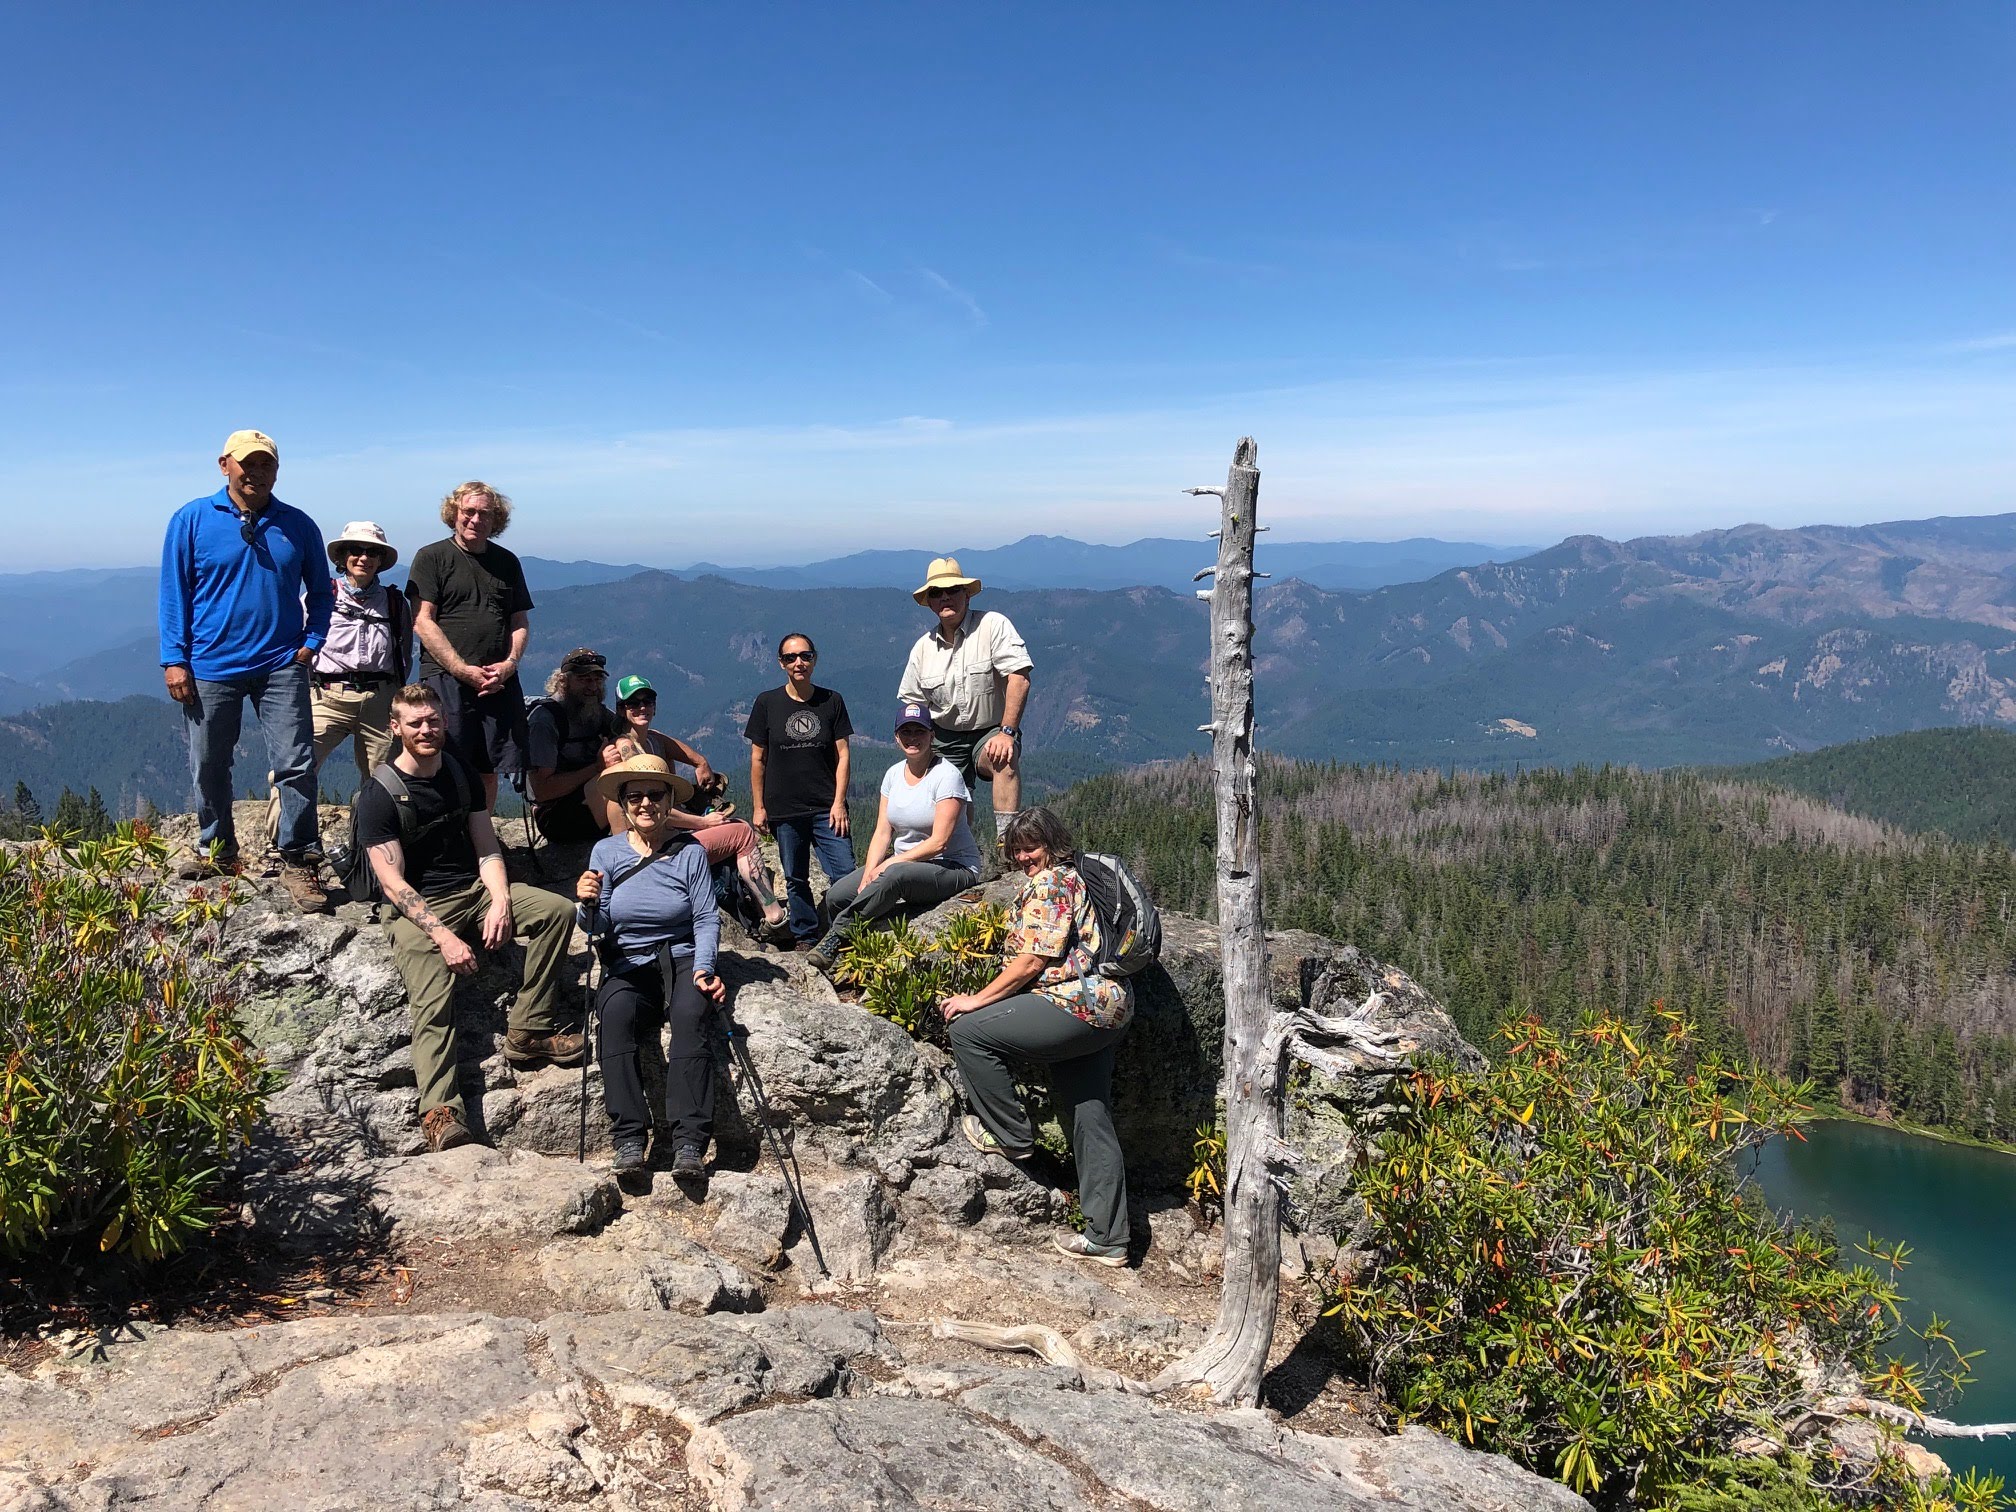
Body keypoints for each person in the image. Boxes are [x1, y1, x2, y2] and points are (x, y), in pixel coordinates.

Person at [359, 682, 584, 1153]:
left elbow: (486, 844)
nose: (426, 729)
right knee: (432, 994)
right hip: (417, 907)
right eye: (415, 722)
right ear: (395, 727)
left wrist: (500, 899)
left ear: (443, 721)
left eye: (433, 720)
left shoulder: (459, 772)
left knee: (556, 911)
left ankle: (528, 1028)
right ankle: (441, 1110)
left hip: (473, 889)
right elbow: (394, 884)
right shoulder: (380, 795)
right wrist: (443, 937)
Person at [941, 807, 1133, 1266]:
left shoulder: (1051, 883)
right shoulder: (1078, 878)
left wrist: (975, 1000)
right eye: (1017, 850)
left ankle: (1009, 1133)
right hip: (1111, 1004)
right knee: (1089, 1114)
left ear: (1053, 844)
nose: (1024, 857)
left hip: (1076, 1004)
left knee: (969, 1031)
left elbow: (1032, 961)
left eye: (1032, 847)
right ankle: (1108, 1237)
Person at [157, 428, 334, 913]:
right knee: (210, 762)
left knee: (295, 762)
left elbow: (322, 592)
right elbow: (174, 594)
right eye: (247, 463)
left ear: (277, 470)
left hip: (282, 664)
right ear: (224, 465)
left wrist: (311, 643)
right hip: (210, 665)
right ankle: (217, 850)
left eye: (266, 464)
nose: (256, 472)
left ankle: (299, 859)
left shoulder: (297, 525)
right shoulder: (191, 519)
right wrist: (174, 659)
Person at [574, 753, 727, 1179]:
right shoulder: (605, 852)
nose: (645, 804)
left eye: (654, 795)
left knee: (690, 1015)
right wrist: (584, 905)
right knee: (616, 1016)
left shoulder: (689, 852)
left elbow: (704, 916)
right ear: (622, 803)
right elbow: (598, 923)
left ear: (667, 801)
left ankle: (689, 1142)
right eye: (635, 796)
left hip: (680, 956)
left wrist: (704, 967)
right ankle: (628, 1139)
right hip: (628, 961)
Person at [607, 674, 788, 935]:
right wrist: (703, 822)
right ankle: (775, 918)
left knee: (732, 826)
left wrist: (702, 764)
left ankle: (761, 910)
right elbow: (652, 813)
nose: (642, 707)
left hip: (663, 841)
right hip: (656, 850)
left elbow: (688, 754)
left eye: (647, 701)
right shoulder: (628, 750)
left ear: (655, 706)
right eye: (633, 703)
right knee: (742, 832)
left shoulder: (652, 740)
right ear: (622, 710)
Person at [805, 703, 981, 970]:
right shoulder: (893, 775)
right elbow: (882, 831)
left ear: (931, 735)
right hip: (905, 863)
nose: (913, 738)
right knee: (837, 896)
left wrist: (890, 864)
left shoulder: (947, 776)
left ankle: (836, 937)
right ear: (896, 737)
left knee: (895, 876)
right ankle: (850, 953)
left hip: (953, 866)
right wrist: (870, 870)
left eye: (919, 731)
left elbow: (939, 842)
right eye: (906, 732)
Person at [406, 481, 533, 809]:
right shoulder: (432, 557)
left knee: (490, 766)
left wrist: (509, 665)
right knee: (443, 760)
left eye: (485, 514)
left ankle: (483, 838)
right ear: (454, 514)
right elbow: (422, 620)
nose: (475, 519)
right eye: (468, 511)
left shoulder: (507, 562)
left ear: (496, 521)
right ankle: (448, 841)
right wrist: (461, 669)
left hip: (497, 680)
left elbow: (519, 622)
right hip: (446, 678)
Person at [896, 556, 1033, 837]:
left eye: (953, 590)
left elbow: (1019, 678)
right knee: (947, 801)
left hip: (991, 730)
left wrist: (1007, 732)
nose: (945, 597)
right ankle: (957, 854)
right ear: (930, 603)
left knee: (1003, 759)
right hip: (943, 736)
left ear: (966, 595)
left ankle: (1007, 844)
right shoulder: (923, 649)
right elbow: (914, 704)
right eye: (937, 593)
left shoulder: (992, 625)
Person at [744, 634, 854, 951]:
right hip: (784, 808)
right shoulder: (767, 703)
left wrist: (838, 803)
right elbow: (757, 758)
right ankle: (805, 935)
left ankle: (845, 933)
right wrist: (758, 807)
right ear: (781, 663)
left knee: (845, 874)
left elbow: (843, 755)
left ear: (814, 659)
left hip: (826, 806)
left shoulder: (831, 701)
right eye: (791, 658)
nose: (798, 663)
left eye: (804, 656)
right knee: (795, 876)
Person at [311, 521, 411, 777]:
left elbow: (404, 653)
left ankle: (370, 819)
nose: (364, 557)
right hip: (327, 697)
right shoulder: (321, 597)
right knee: (294, 768)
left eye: (373, 552)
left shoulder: (395, 603)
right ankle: (282, 819)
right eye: (356, 550)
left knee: (384, 780)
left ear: (380, 561)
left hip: (380, 699)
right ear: (343, 557)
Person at [526, 648, 624, 843]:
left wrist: (697, 761)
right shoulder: (544, 721)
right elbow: (542, 790)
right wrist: (597, 768)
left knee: (633, 750)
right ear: (563, 681)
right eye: (584, 679)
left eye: (597, 680)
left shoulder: (593, 711)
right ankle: (627, 855)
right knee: (620, 779)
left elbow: (632, 732)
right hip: (555, 815)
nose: (593, 687)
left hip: (586, 800)